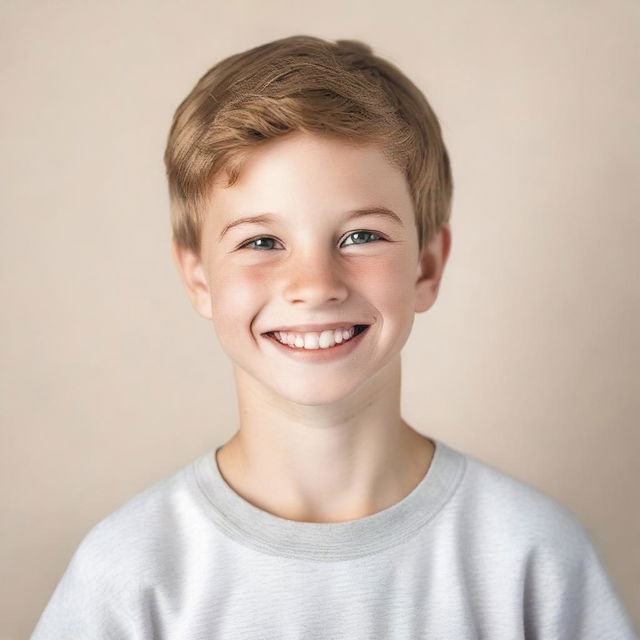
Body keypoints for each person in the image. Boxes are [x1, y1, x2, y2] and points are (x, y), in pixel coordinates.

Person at [31, 35, 637, 639]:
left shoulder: (531, 558)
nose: (315, 285)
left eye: (361, 236)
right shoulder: (129, 576)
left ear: (426, 267)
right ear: (198, 276)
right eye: (261, 242)